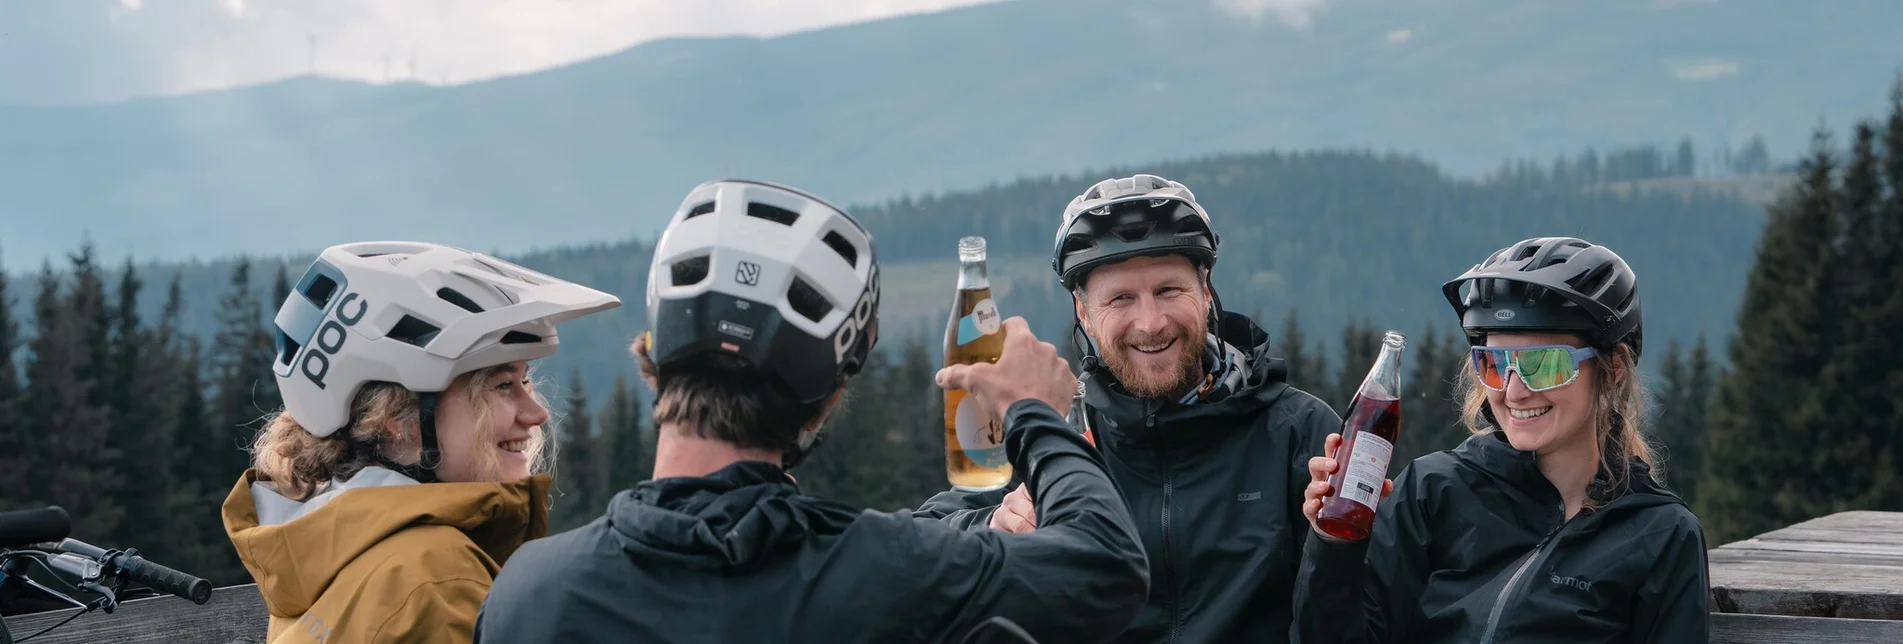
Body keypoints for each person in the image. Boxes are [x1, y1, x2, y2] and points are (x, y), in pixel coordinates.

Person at [471, 179, 1150, 644]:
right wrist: (1033, 412)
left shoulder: (529, 593)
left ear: (650, 361)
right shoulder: (890, 571)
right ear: (827, 400)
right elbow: (1109, 568)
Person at [917, 174, 1344, 643]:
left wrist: (1337, 545)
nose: (1151, 323)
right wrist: (990, 524)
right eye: (1121, 298)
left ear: (1205, 293)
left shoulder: (1298, 432)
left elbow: (1358, 621)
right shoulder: (1054, 433)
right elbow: (919, 544)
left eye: (1168, 291)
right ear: (1084, 315)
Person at [1292, 236, 1710, 643]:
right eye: (1493, 364)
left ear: (1614, 369)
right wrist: (1333, 546)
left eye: (1544, 365)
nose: (1514, 391)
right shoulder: (1435, 492)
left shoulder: (1660, 535)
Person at [221, 241, 621, 644]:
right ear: (398, 417)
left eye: (526, 381)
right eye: (502, 386)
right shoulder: (435, 580)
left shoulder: (319, 552)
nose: (537, 414)